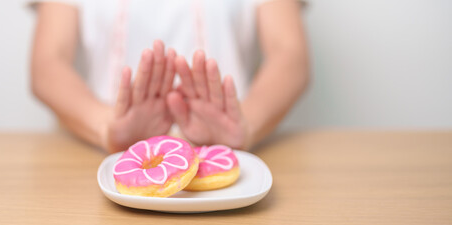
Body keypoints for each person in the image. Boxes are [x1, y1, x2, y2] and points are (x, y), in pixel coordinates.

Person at [30, 0, 308, 153]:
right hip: (94, 156)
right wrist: (106, 128)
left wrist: (245, 126)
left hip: (236, 160)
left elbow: (290, 53)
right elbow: (47, 62)